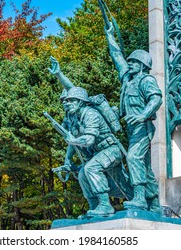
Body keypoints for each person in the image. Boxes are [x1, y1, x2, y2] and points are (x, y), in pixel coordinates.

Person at [105, 23, 163, 213]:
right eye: (129, 62)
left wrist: (142, 115)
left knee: (133, 157)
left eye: (133, 62)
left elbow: (156, 98)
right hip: (132, 130)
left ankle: (139, 198)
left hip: (143, 127)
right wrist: (110, 37)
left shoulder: (146, 80)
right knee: (144, 166)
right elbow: (117, 57)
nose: (129, 64)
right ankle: (154, 203)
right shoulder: (128, 79)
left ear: (141, 66)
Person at [55, 86, 132, 217]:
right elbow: (74, 141)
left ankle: (105, 206)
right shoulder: (76, 118)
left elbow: (89, 139)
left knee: (91, 168)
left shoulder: (90, 114)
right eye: (65, 101)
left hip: (111, 150)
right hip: (99, 153)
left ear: (80, 102)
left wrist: (73, 140)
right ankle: (95, 207)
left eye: (71, 101)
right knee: (83, 174)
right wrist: (68, 160)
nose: (67, 104)